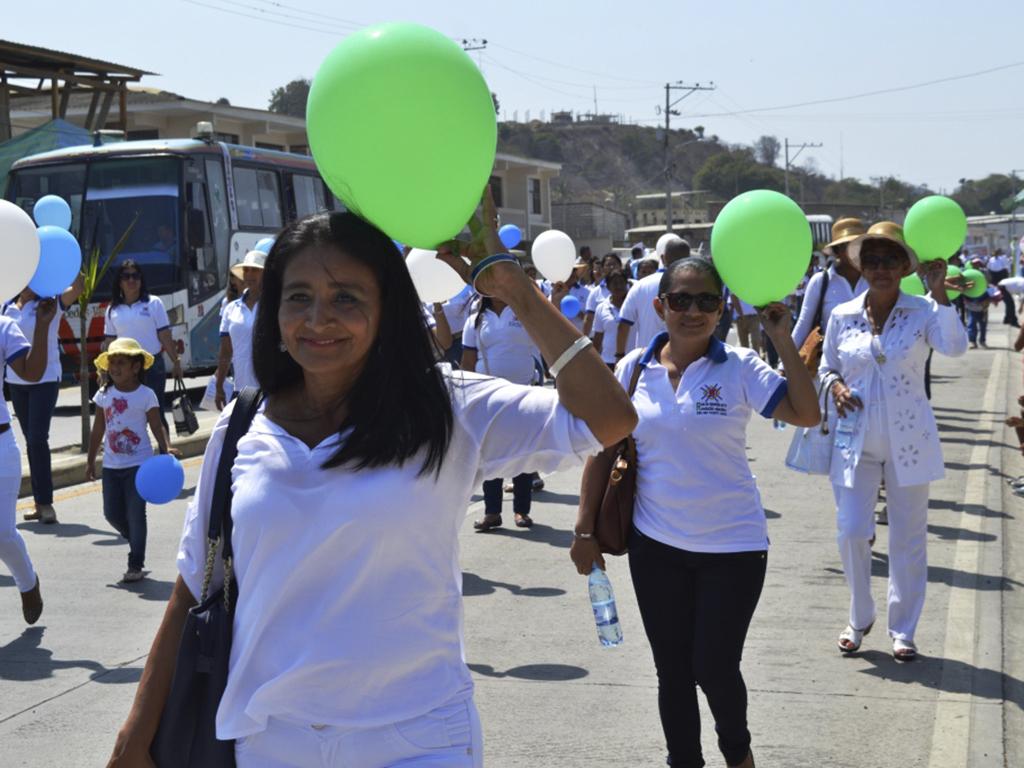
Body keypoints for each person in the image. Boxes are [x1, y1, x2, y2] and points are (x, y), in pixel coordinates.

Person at [106, 202, 636, 768]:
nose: (318, 319)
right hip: (268, 741)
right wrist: (134, 735)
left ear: (387, 310)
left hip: (419, 739)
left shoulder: (448, 407)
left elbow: (608, 420)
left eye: (346, 298)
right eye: (299, 297)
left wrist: (514, 288)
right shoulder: (242, 425)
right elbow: (193, 585)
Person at [571, 257, 820, 768]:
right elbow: (602, 450)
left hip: (734, 547)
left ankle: (738, 754)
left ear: (722, 307)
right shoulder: (633, 368)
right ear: (660, 306)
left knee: (714, 665)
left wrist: (781, 339)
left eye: (707, 300)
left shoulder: (741, 368)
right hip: (655, 545)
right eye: (681, 300)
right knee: (673, 672)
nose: (694, 311)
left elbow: (807, 413)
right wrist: (584, 530)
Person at [821, 222, 968, 662]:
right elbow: (827, 367)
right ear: (861, 266)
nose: (880, 268)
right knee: (851, 531)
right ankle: (859, 614)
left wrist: (940, 294)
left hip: (910, 440)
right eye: (872, 260)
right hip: (855, 439)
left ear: (906, 267)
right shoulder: (842, 315)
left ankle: (902, 628)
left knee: (907, 538)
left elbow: (956, 347)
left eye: (890, 260)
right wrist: (835, 387)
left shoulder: (923, 311)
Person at [87, 338, 175, 583]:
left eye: (121, 363)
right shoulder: (104, 395)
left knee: (137, 514)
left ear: (136, 367)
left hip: (140, 466)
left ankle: (135, 562)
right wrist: (90, 460)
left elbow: (157, 426)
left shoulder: (146, 395)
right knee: (111, 514)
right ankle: (135, 537)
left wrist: (165, 448)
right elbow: (97, 430)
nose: (114, 368)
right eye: (112, 363)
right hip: (111, 467)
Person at [4, 275, 83, 524]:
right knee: (30, 440)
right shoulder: (7, 305)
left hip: (45, 380)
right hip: (16, 382)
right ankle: (38, 503)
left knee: (38, 438)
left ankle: (47, 503)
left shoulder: (50, 303)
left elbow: (78, 288)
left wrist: (70, 259)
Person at [462, 291, 542, 530]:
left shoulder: (524, 312)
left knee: (522, 453)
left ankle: (521, 510)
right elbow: (468, 358)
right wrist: (466, 396)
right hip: (488, 397)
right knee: (491, 455)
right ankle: (492, 512)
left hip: (522, 394)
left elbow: (545, 344)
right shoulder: (475, 319)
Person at [0, 298, 56, 625]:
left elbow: (32, 373)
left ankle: (28, 582)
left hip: (1, 442)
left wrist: (44, 325)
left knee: (3, 535)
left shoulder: (4, 325)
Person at [103, 260, 183, 434]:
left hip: (152, 366)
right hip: (124, 369)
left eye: (135, 276)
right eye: (126, 277)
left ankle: (165, 454)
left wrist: (176, 362)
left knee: (157, 412)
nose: (131, 280)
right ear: (120, 282)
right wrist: (104, 370)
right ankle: (137, 457)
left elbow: (165, 336)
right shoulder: (112, 309)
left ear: (141, 280)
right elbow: (109, 342)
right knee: (128, 415)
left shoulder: (154, 303)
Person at [791, 218, 869, 354]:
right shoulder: (820, 282)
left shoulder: (874, 280)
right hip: (832, 364)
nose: (856, 250)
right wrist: (784, 365)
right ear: (837, 250)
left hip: (870, 365)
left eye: (859, 245)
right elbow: (804, 324)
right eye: (848, 245)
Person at [616, 237, 691, 361]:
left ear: (662, 258)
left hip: (646, 362)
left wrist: (619, 356)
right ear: (688, 259)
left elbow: (623, 324)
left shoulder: (641, 285)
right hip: (685, 362)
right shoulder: (694, 287)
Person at [216, 251, 265, 409]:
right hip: (241, 390)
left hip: (271, 389)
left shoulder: (275, 306)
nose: (249, 274)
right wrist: (219, 386)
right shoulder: (231, 309)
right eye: (246, 270)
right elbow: (225, 351)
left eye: (255, 270)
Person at [590, 269, 630, 368]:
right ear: (608, 286)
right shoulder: (601, 308)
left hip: (631, 360)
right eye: (615, 283)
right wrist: (594, 362)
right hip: (608, 361)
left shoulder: (633, 305)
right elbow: (598, 337)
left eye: (621, 282)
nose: (619, 286)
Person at [582, 253, 625, 337]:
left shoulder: (632, 286)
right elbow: (589, 318)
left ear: (620, 266)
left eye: (614, 264)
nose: (612, 267)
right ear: (602, 268)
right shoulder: (595, 292)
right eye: (608, 265)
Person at [987, 248, 1018, 326]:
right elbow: (1007, 270)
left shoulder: (999, 259)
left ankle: (1008, 318)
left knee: (1009, 302)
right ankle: (1010, 319)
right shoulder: (995, 259)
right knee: (1010, 302)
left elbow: (1006, 269)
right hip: (998, 282)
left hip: (999, 281)